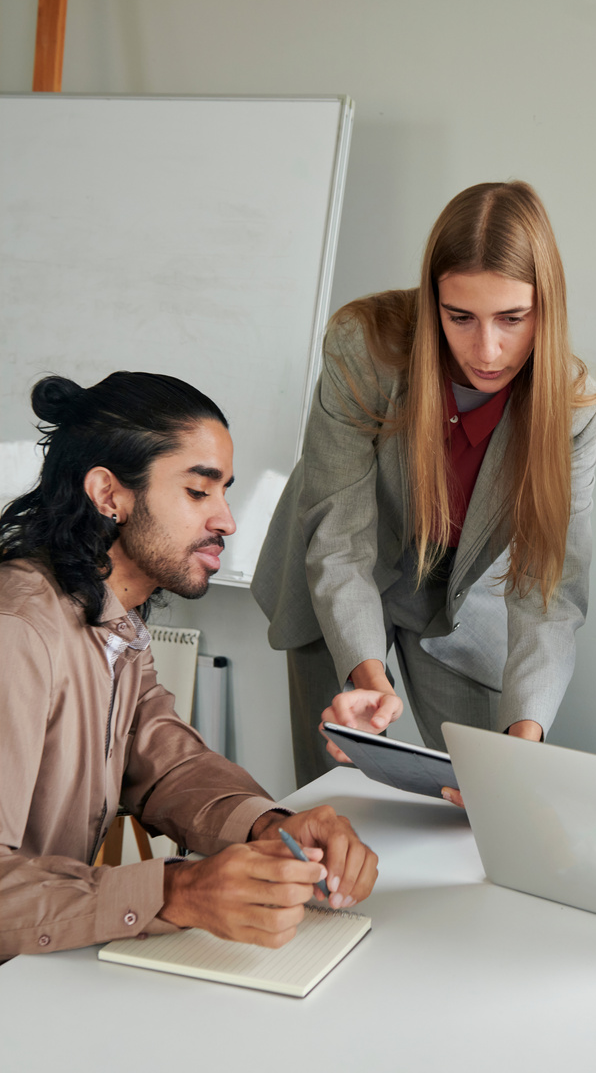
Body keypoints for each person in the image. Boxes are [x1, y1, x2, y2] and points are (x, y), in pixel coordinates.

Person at [0, 372, 378, 960]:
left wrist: (272, 826)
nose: (227, 521)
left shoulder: (112, 621)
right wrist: (175, 891)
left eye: (224, 491)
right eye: (199, 492)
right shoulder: (16, 631)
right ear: (109, 495)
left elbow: (167, 765)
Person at [253, 180, 596, 792]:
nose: (488, 349)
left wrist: (523, 741)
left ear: (545, 308)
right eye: (460, 317)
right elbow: (339, 539)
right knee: (331, 802)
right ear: (431, 301)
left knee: (487, 796)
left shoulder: (577, 413)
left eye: (512, 318)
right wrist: (369, 678)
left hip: (461, 601)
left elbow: (548, 594)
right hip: (340, 576)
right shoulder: (364, 350)